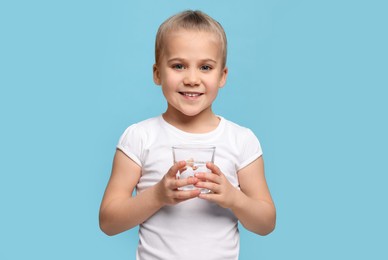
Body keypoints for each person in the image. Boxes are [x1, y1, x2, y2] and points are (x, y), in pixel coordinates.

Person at [99, 10, 276, 260]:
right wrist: (158, 195)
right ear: (157, 73)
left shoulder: (241, 140)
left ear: (222, 76)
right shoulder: (139, 137)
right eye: (178, 66)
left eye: (205, 67)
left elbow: (266, 223)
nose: (192, 79)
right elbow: (108, 222)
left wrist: (234, 199)